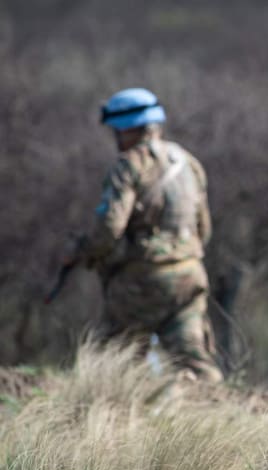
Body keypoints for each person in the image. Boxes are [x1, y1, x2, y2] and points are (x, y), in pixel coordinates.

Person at [63, 87, 223, 382]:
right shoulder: (187, 162)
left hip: (141, 281)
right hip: (190, 275)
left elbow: (109, 229)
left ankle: (112, 422)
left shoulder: (128, 165)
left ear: (127, 129)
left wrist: (86, 252)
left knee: (112, 365)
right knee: (195, 362)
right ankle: (217, 413)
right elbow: (204, 230)